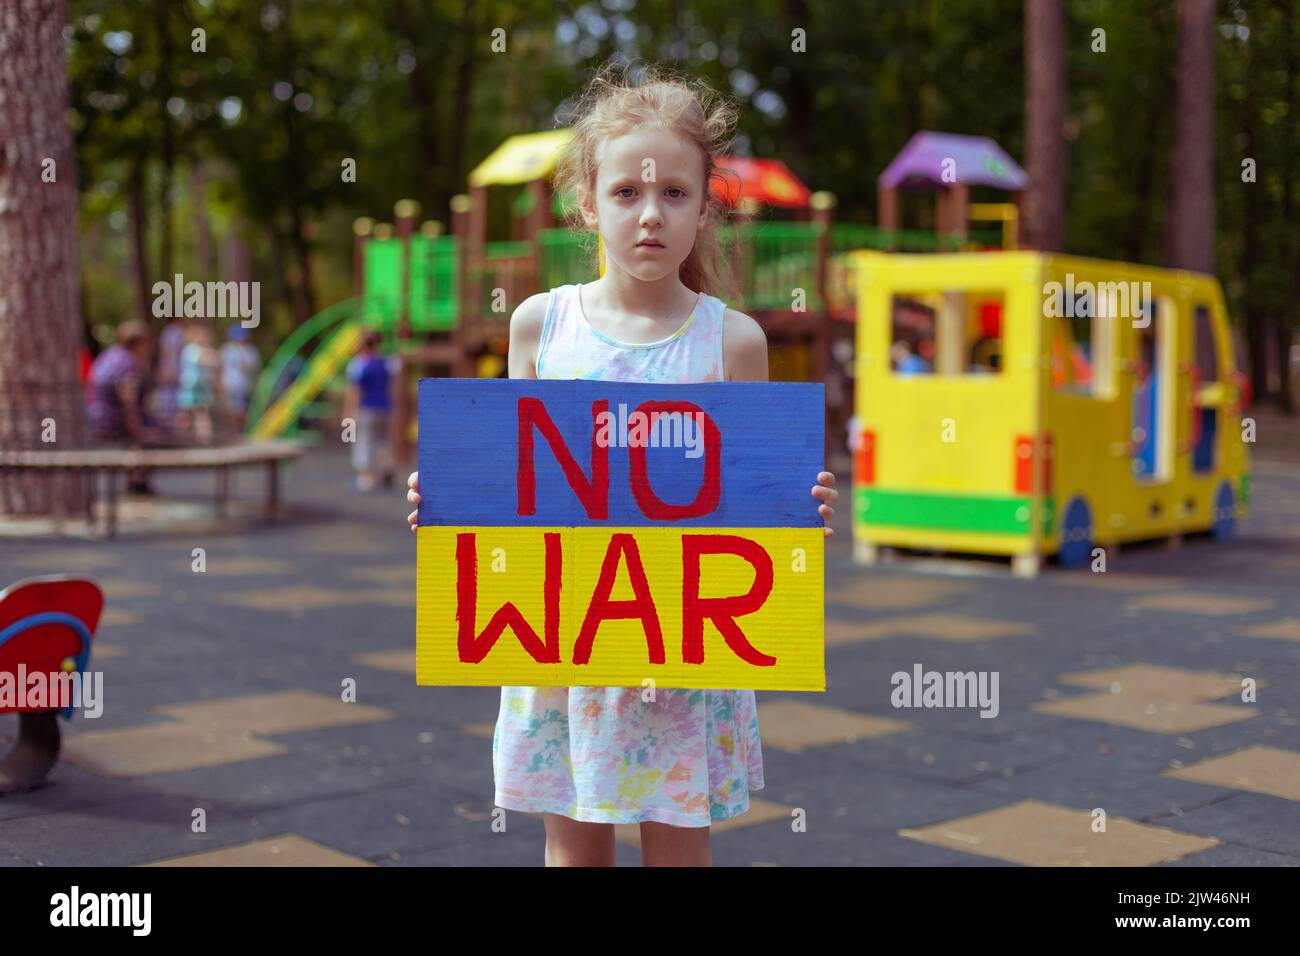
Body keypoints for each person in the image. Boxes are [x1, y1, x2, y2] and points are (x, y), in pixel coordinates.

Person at [403, 67, 838, 867]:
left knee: (679, 856)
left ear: (706, 206)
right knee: (574, 857)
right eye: (627, 193)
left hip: (685, 652)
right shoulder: (540, 326)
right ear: (587, 203)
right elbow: (512, 483)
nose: (650, 214)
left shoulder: (733, 341)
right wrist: (456, 500)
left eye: (675, 193)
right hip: (564, 646)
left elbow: (756, 504)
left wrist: (793, 511)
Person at [87, 319, 159, 493]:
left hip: (97, 416)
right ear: (139, 343)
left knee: (153, 431)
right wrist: (138, 427)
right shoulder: (127, 364)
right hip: (112, 420)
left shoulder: (110, 355)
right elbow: (128, 400)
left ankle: (137, 478)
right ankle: (138, 478)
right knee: (160, 437)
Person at [345, 329, 397, 492]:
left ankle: (366, 479)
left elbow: (356, 390)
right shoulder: (387, 363)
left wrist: (350, 411)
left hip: (367, 408)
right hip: (385, 407)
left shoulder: (359, 364)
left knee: (363, 442)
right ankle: (386, 467)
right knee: (383, 441)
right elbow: (391, 386)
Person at [177, 321, 221, 444]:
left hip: (197, 385)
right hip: (193, 386)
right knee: (193, 414)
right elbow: (210, 361)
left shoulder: (190, 350)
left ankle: (197, 439)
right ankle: (199, 439)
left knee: (195, 413)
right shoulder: (193, 350)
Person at [220, 324, 261, 436]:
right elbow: (221, 368)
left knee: (243, 410)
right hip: (231, 385)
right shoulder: (227, 350)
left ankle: (243, 432)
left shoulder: (250, 351)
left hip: (245, 386)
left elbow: (249, 370)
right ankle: (236, 433)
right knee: (233, 410)